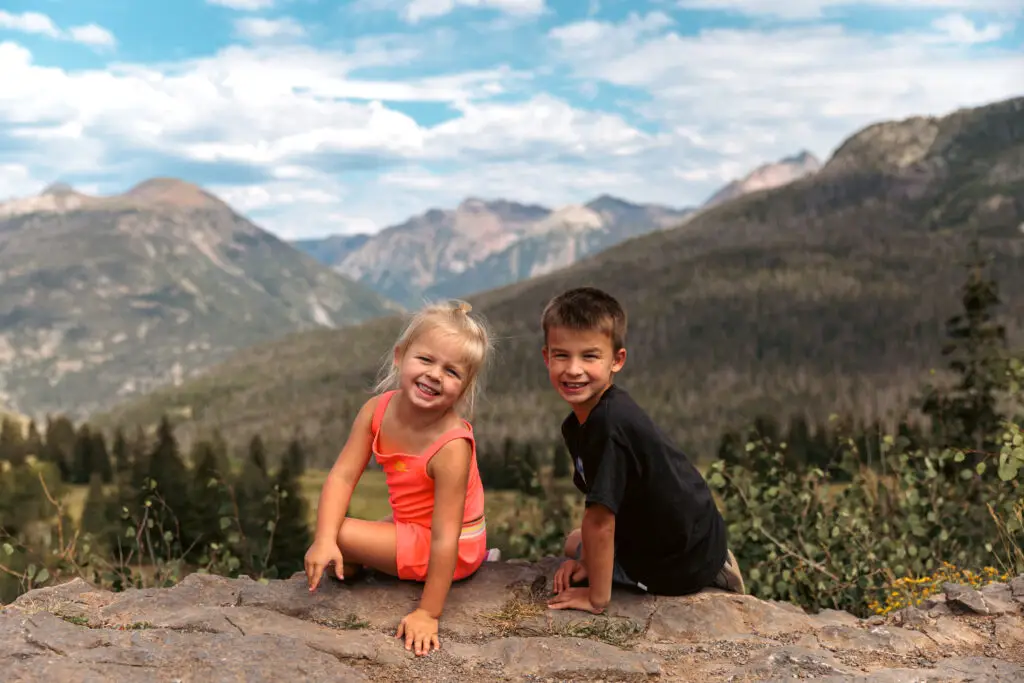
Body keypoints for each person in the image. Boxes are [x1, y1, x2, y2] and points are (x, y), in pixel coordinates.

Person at [304, 300, 498, 656]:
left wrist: (429, 612)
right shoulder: (376, 410)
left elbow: (444, 536)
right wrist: (323, 540)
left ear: (465, 385)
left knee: (342, 532)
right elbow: (343, 476)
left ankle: (364, 558)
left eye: (452, 372)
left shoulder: (451, 446)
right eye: (425, 360)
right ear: (399, 356)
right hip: (413, 526)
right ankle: (358, 555)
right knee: (329, 534)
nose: (435, 375)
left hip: (453, 547)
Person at [540, 287, 745, 614]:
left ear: (616, 360)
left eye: (589, 356)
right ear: (546, 356)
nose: (573, 369)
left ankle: (709, 574)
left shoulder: (609, 427)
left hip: (677, 565)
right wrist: (588, 560)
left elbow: (601, 520)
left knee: (580, 542)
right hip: (691, 538)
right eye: (562, 355)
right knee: (575, 543)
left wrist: (595, 594)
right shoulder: (587, 419)